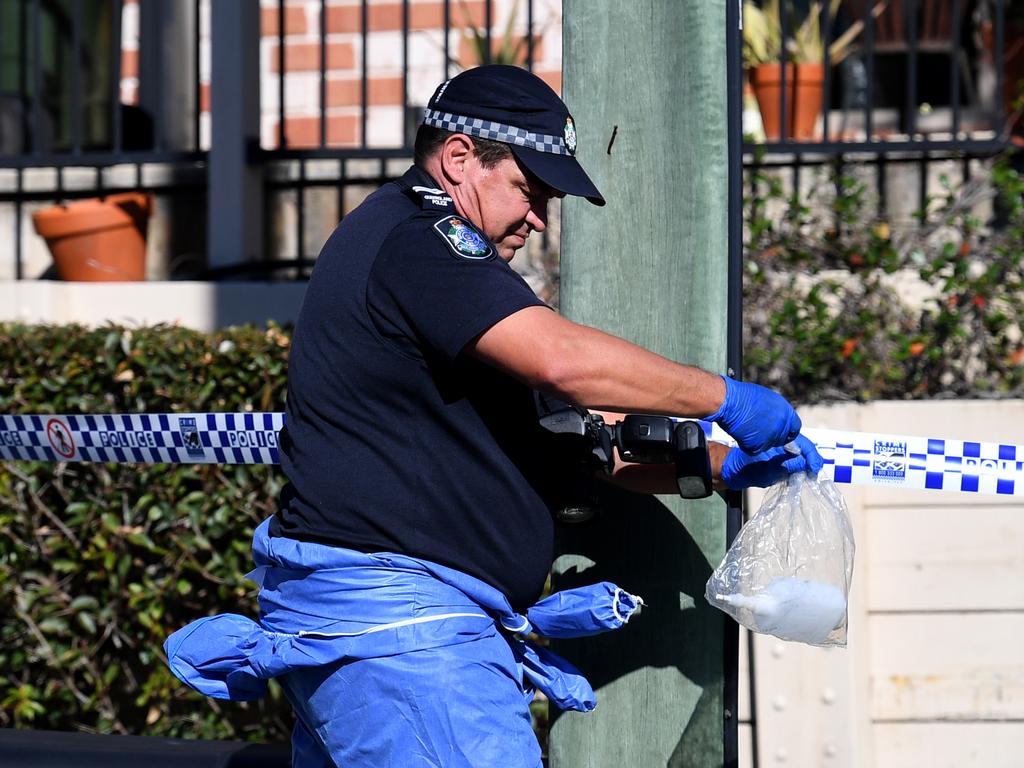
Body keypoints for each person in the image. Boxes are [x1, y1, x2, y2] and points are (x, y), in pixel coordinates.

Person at [165, 65, 823, 767]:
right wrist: (728, 398)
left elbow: (576, 434)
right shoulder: (421, 242)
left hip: (399, 640)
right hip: (403, 641)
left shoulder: (442, 273)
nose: (539, 215)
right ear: (458, 157)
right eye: (528, 188)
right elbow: (562, 363)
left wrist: (723, 467)